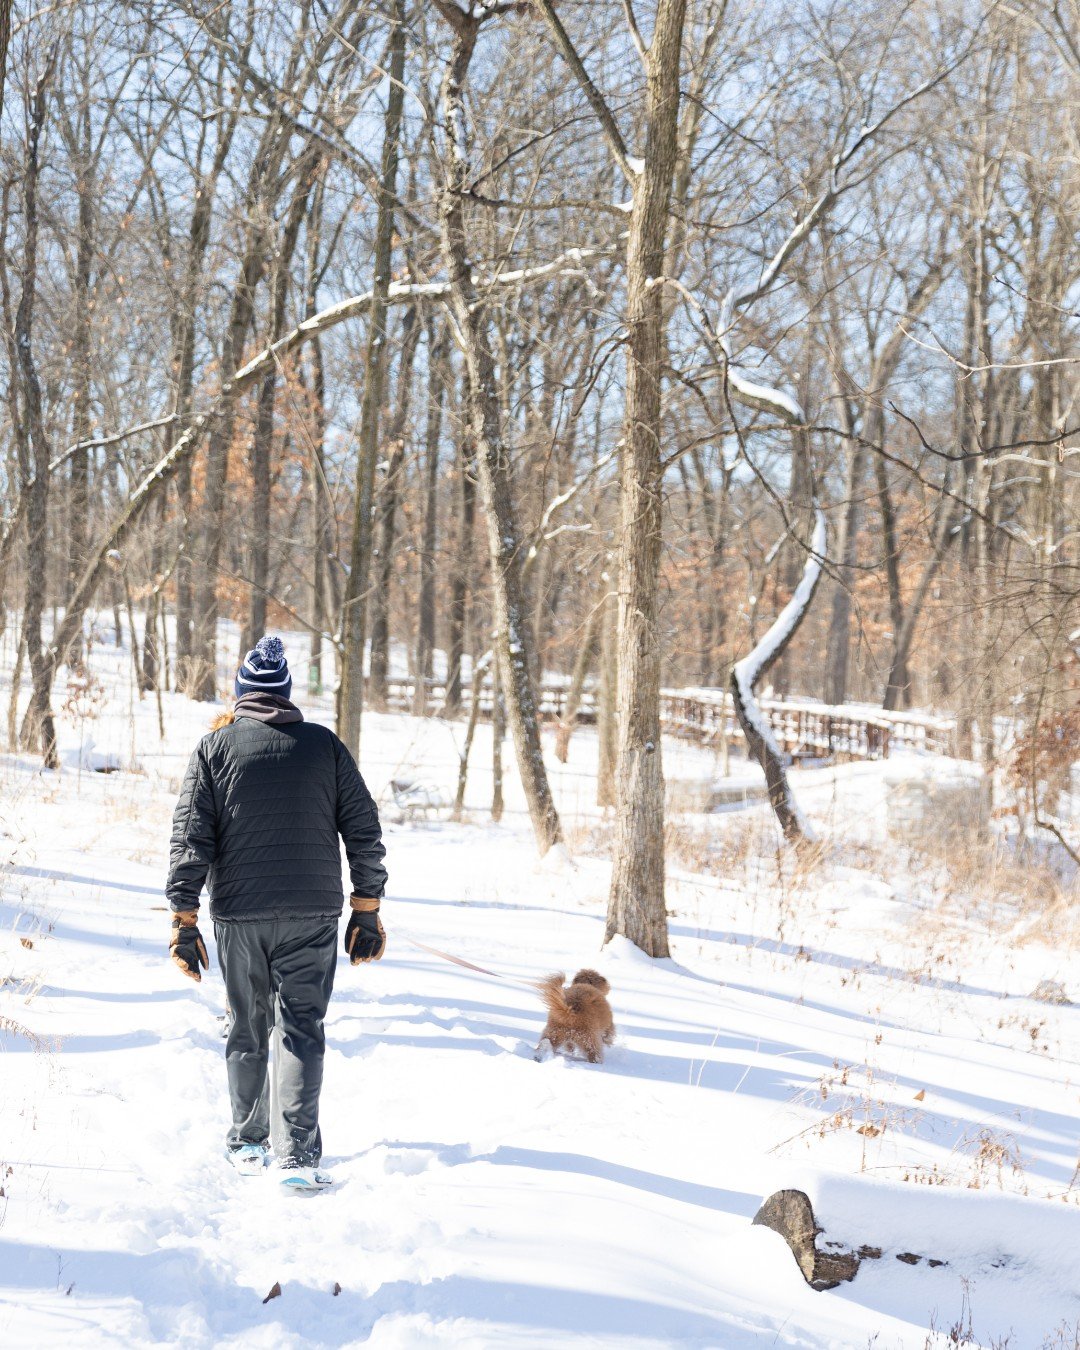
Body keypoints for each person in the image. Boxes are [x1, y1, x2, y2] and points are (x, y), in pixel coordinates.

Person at [165, 635, 387, 1190]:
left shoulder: (214, 749)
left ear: (242, 693)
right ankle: (298, 1155)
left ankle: (247, 1142)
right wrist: (367, 908)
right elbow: (363, 830)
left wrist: (184, 918)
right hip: (313, 913)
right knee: (302, 1029)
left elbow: (191, 839)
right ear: (286, 694)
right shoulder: (325, 746)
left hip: (240, 915)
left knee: (247, 1026)